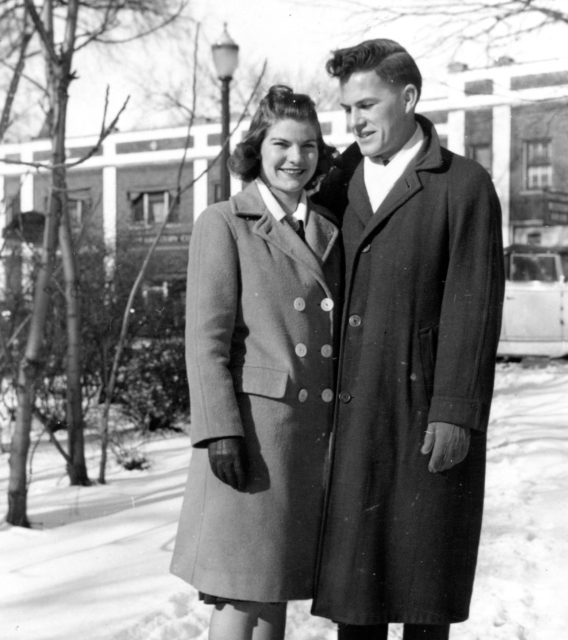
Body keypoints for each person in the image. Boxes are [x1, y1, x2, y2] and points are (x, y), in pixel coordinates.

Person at [311, 40, 505, 640]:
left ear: (410, 98)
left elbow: (474, 308)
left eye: (367, 105)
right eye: (348, 109)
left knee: (423, 603)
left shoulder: (463, 185)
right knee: (356, 606)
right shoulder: (336, 184)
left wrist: (455, 414)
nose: (355, 121)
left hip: (424, 416)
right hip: (351, 421)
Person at [170, 85, 341, 640]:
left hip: (304, 439)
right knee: (242, 594)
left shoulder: (325, 227)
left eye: (310, 146)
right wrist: (220, 431)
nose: (297, 158)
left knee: (273, 593)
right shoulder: (224, 221)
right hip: (252, 435)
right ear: (257, 149)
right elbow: (206, 341)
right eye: (283, 144)